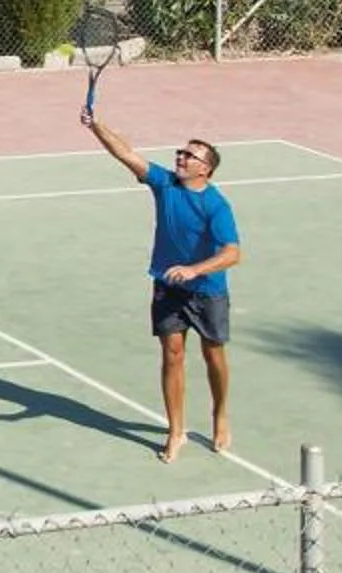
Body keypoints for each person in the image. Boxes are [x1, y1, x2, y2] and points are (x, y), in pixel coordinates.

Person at [83, 115, 242, 463]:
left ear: (206, 170)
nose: (181, 158)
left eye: (190, 155)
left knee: (213, 354)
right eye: (180, 152)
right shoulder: (164, 184)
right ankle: (176, 431)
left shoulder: (216, 205)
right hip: (167, 285)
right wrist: (96, 126)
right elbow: (124, 153)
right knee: (172, 354)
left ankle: (220, 414)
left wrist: (194, 269)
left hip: (207, 290)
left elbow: (233, 253)